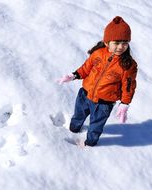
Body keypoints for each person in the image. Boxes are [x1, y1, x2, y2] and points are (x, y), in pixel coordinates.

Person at [57, 16, 138, 147]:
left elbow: (128, 86)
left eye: (125, 43)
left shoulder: (128, 65)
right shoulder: (98, 53)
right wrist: (74, 75)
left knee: (96, 126)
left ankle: (90, 144)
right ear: (107, 42)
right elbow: (86, 68)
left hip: (103, 104)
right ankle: (73, 129)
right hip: (85, 94)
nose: (121, 47)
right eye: (116, 43)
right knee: (78, 115)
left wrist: (125, 103)